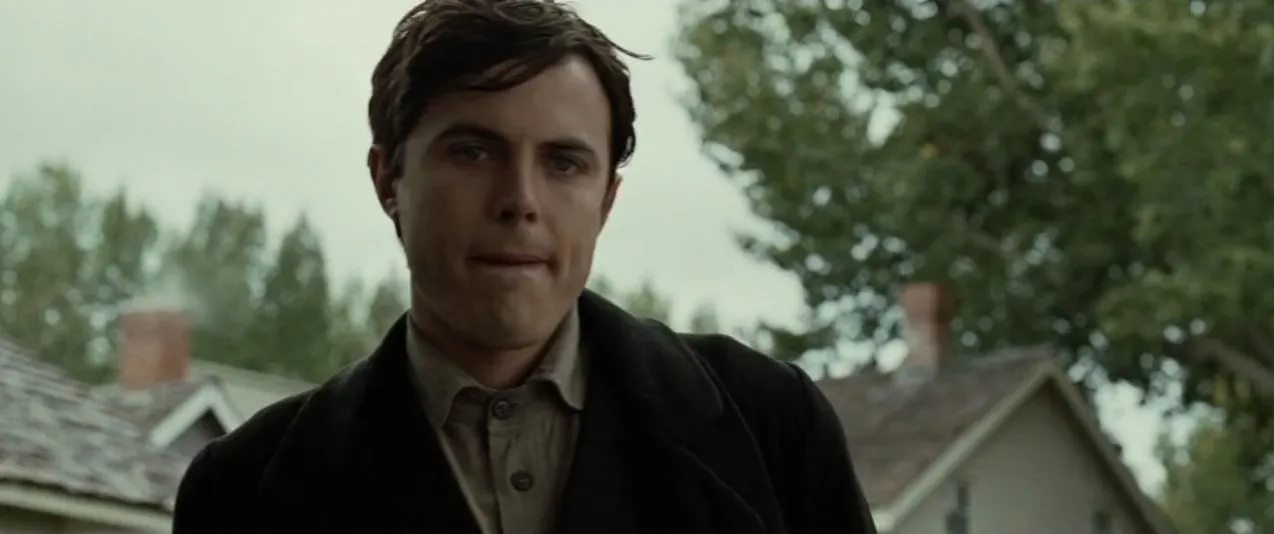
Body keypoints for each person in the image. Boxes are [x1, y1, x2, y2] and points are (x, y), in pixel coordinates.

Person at [171, 1, 876, 532]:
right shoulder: (243, 490)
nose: (519, 201)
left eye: (563, 163)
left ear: (606, 200)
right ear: (389, 180)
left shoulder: (770, 424)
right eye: (473, 152)